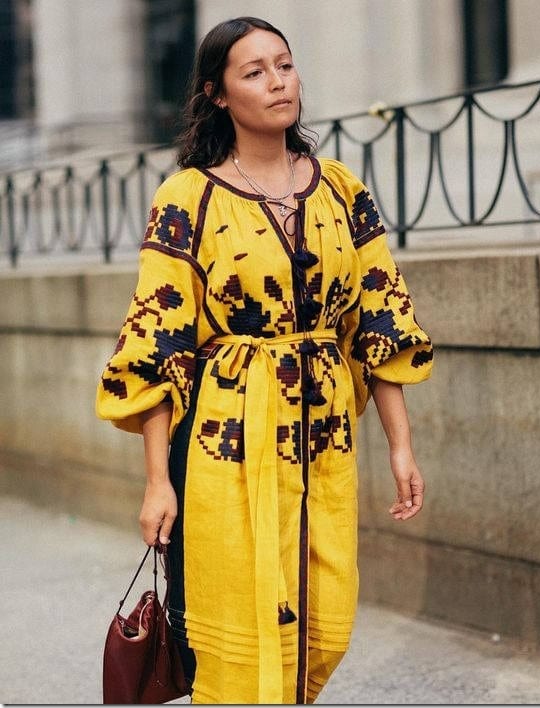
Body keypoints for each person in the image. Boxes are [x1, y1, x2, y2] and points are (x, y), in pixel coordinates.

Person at [96, 16, 433, 705]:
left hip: (324, 441)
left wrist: (402, 446)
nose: (277, 82)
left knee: (324, 625)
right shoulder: (187, 198)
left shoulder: (340, 188)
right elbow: (158, 347)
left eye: (284, 64)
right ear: (218, 94)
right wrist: (158, 481)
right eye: (254, 71)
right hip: (225, 442)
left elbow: (381, 316)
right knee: (242, 638)